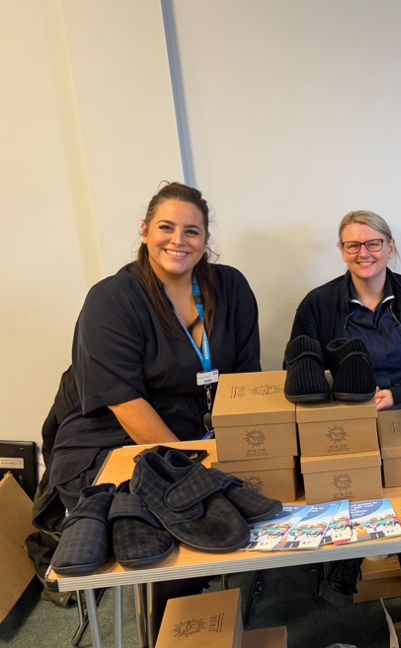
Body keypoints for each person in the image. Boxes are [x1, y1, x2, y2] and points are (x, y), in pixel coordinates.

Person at [45, 181, 261, 623]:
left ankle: (203, 616)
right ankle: (173, 622)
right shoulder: (111, 299)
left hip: (199, 434)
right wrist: (191, 471)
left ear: (206, 240)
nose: (178, 241)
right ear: (145, 231)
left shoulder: (231, 288)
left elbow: (246, 381)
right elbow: (126, 404)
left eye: (192, 231)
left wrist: (246, 446)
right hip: (114, 442)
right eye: (166, 227)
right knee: (170, 525)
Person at [291, 210, 401, 617]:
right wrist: (349, 401)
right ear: (342, 251)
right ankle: (358, 564)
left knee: (398, 465)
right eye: (353, 245)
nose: (364, 253)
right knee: (358, 455)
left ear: (390, 247)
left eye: (373, 243)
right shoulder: (317, 304)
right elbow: (301, 370)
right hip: (346, 414)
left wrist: (397, 394)